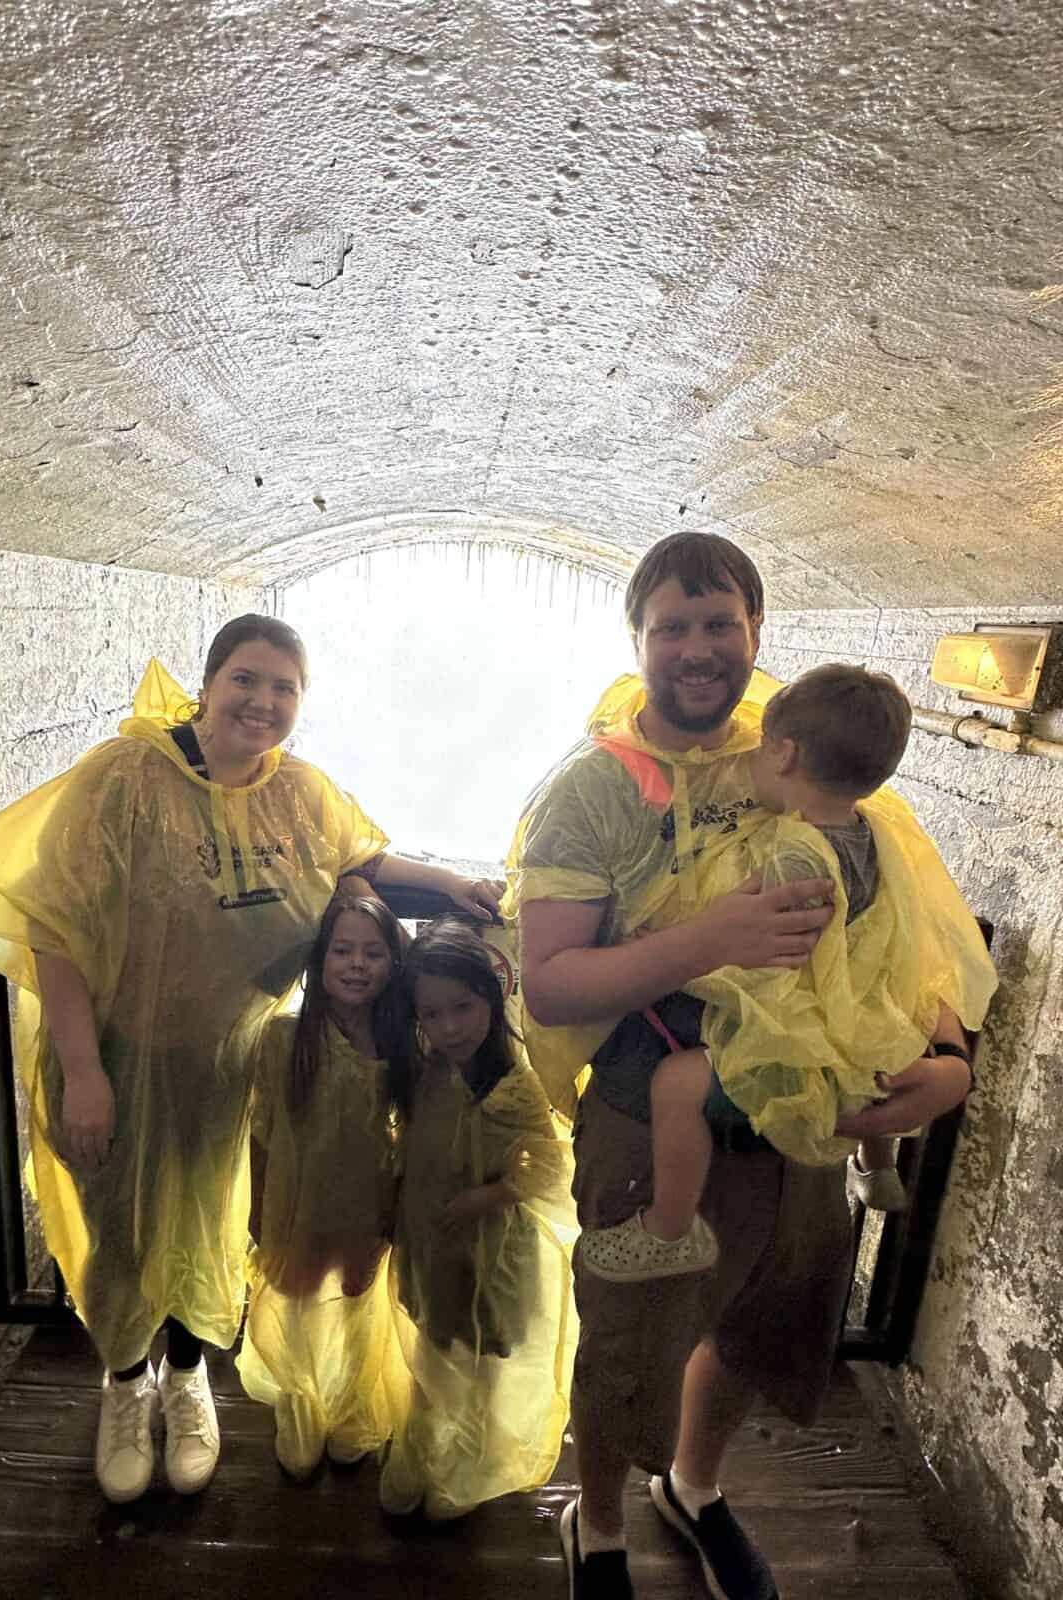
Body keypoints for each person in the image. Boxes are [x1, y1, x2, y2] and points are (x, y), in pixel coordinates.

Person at [0, 614, 500, 1506]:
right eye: (246, 680)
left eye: (284, 688)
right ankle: (123, 1382)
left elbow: (360, 859)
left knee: (206, 1226)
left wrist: (452, 887)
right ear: (209, 683)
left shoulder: (299, 792)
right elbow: (55, 928)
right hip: (111, 1054)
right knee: (121, 1236)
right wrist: (84, 1072)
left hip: (223, 1063)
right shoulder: (127, 778)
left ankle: (186, 1380)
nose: (262, 703)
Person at [503, 533, 981, 1600]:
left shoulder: (801, 746)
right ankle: (604, 1520)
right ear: (637, 640)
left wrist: (950, 1058)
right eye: (672, 624)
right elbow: (552, 986)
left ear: (757, 630)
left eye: (721, 621)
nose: (699, 646)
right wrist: (706, 938)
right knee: (631, 1340)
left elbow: (897, 920)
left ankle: (696, 1485)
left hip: (796, 1115)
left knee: (763, 1314)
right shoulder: (595, 787)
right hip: (650, 1105)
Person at [580, 663, 997, 1282]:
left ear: (785, 754)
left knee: (676, 1085)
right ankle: (877, 1166)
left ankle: (668, 1228)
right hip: (870, 1021)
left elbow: (757, 958)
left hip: (805, 1036)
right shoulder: (878, 833)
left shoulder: (795, 853)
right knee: (879, 1060)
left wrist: (667, 950)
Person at [379, 919, 577, 1521]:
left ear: (492, 997)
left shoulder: (514, 1081)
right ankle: (425, 1439)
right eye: (431, 1016)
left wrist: (484, 1199)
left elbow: (547, 1165)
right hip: (430, 1240)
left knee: (485, 1348)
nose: (449, 1028)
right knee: (436, 1335)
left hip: (494, 1252)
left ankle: (475, 1454)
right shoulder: (425, 1070)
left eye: (462, 1008)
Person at [236, 891, 413, 1477]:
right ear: (320, 959)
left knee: (358, 1299)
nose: (357, 964)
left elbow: (406, 1135)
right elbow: (261, 1132)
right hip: (298, 1199)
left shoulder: (401, 1045)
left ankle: (350, 1405)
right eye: (342, 950)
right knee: (298, 1298)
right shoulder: (284, 1038)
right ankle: (300, 1400)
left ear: (394, 963)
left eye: (373, 952)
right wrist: (259, 1208)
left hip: (365, 1204)